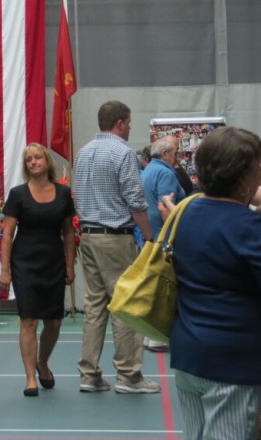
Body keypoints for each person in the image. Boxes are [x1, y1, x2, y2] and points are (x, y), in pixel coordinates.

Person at [171, 127, 261, 439]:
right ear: (246, 175)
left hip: (190, 356)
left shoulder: (186, 213)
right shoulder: (250, 226)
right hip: (233, 360)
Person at [73, 100, 158, 394]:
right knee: (125, 303)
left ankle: (89, 374)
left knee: (95, 305)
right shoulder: (123, 153)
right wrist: (149, 236)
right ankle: (129, 375)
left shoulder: (83, 153)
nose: (129, 128)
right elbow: (135, 200)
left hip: (88, 235)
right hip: (115, 237)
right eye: (129, 123)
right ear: (120, 123)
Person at [0, 144, 76, 396]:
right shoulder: (18, 194)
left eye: (37, 157)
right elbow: (7, 234)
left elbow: (68, 232)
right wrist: (5, 270)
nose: (33, 162)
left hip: (53, 262)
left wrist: (69, 265)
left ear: (47, 161)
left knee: (53, 322)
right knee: (29, 319)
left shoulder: (64, 193)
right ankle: (30, 377)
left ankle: (43, 363)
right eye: (28, 159)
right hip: (25, 264)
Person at [142, 137, 187, 239]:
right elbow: (165, 210)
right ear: (164, 154)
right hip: (164, 237)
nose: (177, 158)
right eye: (175, 153)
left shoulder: (148, 169)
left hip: (151, 234)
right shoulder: (165, 173)